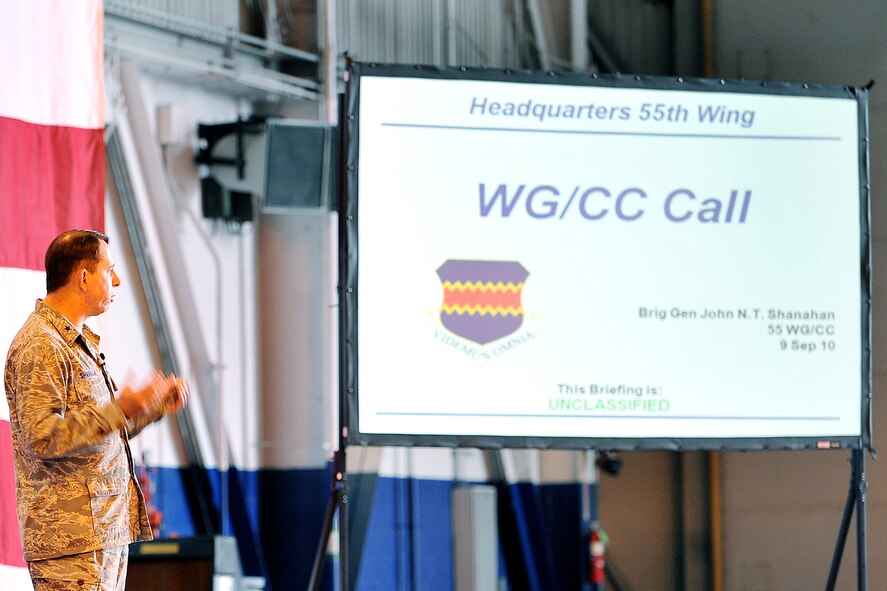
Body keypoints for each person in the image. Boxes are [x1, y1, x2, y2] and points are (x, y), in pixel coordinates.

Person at [4, 229, 190, 591]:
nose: (116, 280)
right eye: (110, 270)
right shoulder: (41, 345)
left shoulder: (76, 341)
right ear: (84, 277)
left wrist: (149, 408)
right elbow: (43, 439)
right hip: (69, 545)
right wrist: (120, 407)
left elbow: (97, 434)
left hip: (100, 536)